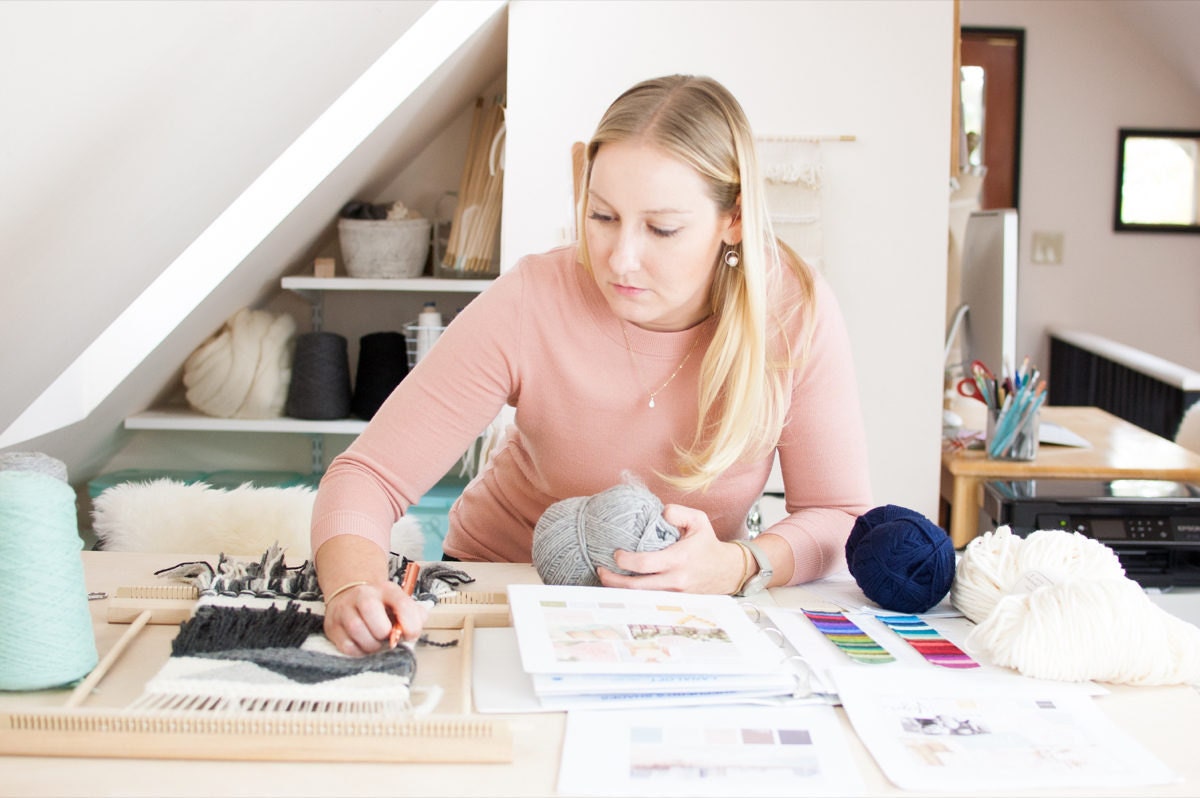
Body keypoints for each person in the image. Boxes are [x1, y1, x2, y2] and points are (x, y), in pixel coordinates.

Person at [311, 74, 872, 656]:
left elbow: (838, 514)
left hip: (687, 608)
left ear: (733, 218)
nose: (620, 259)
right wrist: (352, 584)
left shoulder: (791, 311)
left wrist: (740, 565)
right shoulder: (533, 298)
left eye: (662, 228)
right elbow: (368, 475)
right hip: (502, 580)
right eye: (602, 216)